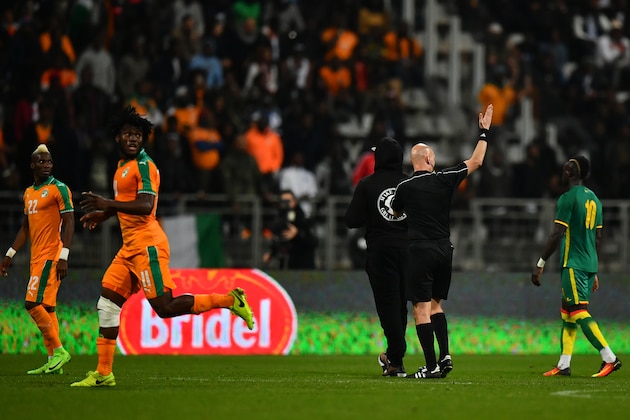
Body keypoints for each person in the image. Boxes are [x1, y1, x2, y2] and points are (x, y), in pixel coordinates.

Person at [71, 107, 254, 387]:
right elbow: (130, 201)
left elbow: (145, 205)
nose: (133, 138)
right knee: (107, 303)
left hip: (148, 246)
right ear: (117, 137)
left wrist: (108, 204)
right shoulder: (122, 166)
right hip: (129, 247)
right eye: (128, 134)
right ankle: (104, 374)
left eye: (138, 135)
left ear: (143, 139)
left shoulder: (145, 165)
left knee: (165, 307)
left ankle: (230, 300)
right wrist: (106, 213)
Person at [391, 104, 494, 379]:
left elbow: (396, 211)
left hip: (420, 250)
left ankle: (431, 365)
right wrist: (484, 133)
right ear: (428, 159)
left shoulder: (405, 187)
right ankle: (445, 356)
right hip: (444, 249)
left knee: (420, 310)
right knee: (436, 305)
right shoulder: (443, 179)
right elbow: (476, 162)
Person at [531, 156, 622, 378]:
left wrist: (541, 263)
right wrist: (596, 269)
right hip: (589, 264)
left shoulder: (567, 198)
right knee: (567, 312)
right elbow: (598, 237)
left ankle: (609, 357)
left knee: (578, 311)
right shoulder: (596, 200)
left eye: (565, 169)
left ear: (571, 173)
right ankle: (564, 364)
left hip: (573, 263)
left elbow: (557, 233)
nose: (563, 172)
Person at [0, 144, 74, 375]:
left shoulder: (59, 189)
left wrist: (64, 255)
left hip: (51, 256)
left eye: (49, 161)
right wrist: (9, 254)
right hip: (36, 257)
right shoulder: (28, 193)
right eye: (41, 162)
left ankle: (60, 351)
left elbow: (70, 221)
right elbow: (25, 228)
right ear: (32, 164)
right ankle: (53, 360)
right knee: (48, 308)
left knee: (31, 304)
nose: (46, 165)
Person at [345, 136, 409, 377]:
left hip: (380, 252)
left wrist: (371, 210)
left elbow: (352, 220)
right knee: (401, 304)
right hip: (408, 251)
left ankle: (395, 355)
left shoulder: (367, 184)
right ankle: (395, 358)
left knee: (387, 304)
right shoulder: (409, 183)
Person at [263, 189, 317, 270]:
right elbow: (277, 239)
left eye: (288, 201)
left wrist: (297, 234)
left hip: (302, 266)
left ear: (294, 201)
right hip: (284, 265)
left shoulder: (303, 219)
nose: (286, 204)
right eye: (283, 201)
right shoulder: (279, 220)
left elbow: (313, 241)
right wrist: (271, 252)